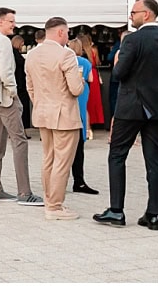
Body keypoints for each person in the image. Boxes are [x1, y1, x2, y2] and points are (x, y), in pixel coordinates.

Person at [93, 0, 158, 232]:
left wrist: (118, 60)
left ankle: (116, 210)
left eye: (134, 12)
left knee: (117, 155)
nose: (131, 16)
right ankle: (152, 215)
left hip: (131, 106)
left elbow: (119, 73)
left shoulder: (132, 40)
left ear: (148, 14)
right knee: (154, 158)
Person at [0, 7, 42, 206]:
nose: (14, 24)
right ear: (1, 22)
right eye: (11, 21)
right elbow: (6, 72)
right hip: (4, 98)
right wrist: (13, 92)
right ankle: (25, 192)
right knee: (20, 141)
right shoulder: (3, 41)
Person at [25, 16, 84, 220]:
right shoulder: (66, 55)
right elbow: (76, 89)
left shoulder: (31, 55)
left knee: (48, 158)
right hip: (64, 115)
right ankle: (55, 206)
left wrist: (41, 103)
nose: (68, 36)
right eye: (67, 32)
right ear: (60, 32)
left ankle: (49, 201)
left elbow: (30, 87)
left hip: (42, 112)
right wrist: (81, 78)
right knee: (62, 161)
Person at [68, 36, 99, 196]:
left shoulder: (64, 60)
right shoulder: (85, 62)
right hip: (81, 99)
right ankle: (78, 180)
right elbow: (91, 79)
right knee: (79, 147)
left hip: (67, 103)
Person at [78, 32, 105, 129]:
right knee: (94, 100)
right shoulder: (94, 50)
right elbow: (98, 62)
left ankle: (86, 125)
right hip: (93, 73)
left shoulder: (80, 53)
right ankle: (93, 122)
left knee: (86, 100)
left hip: (84, 74)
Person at [106, 28, 126, 141]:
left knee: (117, 107)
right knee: (118, 108)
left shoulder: (119, 48)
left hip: (115, 80)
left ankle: (112, 135)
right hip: (119, 82)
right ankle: (113, 135)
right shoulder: (120, 48)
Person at [12, 34, 32, 137]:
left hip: (16, 84)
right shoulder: (15, 54)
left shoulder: (12, 53)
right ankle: (22, 131)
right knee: (21, 108)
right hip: (20, 85)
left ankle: (16, 131)